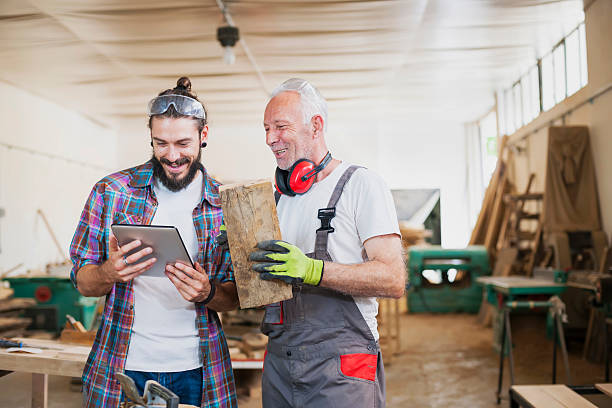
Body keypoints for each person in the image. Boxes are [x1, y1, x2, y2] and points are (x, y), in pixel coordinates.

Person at [69, 77, 239, 408]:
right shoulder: (111, 192)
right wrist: (108, 272)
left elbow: (236, 297)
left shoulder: (225, 203)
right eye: (160, 143)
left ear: (204, 136)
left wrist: (208, 293)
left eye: (183, 144)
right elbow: (82, 281)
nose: (172, 156)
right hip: (122, 365)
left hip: (199, 370)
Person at [249, 78, 406, 407]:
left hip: (340, 370)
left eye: (280, 127)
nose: (269, 139)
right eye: (266, 128)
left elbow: (393, 279)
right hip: (279, 364)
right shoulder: (278, 200)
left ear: (315, 126)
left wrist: (311, 270)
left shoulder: (361, 185)